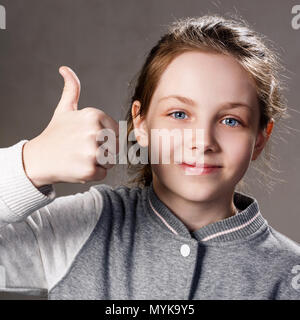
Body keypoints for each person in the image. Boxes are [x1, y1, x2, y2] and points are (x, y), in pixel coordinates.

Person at [0, 14, 299, 300]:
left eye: (231, 120)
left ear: (260, 137)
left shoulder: (289, 275)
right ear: (140, 124)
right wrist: (30, 162)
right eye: (179, 114)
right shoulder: (86, 225)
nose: (203, 142)